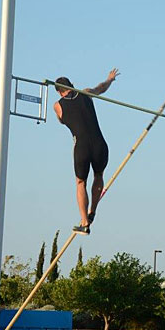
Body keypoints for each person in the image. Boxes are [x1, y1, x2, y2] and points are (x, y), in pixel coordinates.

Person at [53, 68, 119, 235]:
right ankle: (92, 211)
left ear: (60, 92)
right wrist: (110, 79)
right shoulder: (86, 93)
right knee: (99, 176)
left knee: (80, 182)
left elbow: (62, 121)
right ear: (72, 85)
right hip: (100, 145)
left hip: (82, 147)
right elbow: (101, 88)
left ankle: (84, 222)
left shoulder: (58, 105)